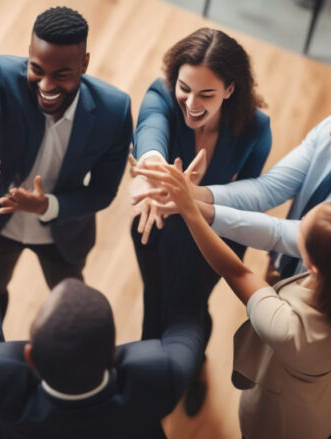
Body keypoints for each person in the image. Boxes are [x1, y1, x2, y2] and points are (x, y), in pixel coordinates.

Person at [0, 159, 204, 439]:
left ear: (29, 356)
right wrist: (186, 211)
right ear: (114, 354)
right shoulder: (160, 375)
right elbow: (187, 316)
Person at [142, 161, 331, 439]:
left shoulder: (292, 331)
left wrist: (189, 211)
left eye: (301, 230)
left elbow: (234, 270)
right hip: (325, 401)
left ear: (313, 267)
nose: (296, 228)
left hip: (282, 423)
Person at [136, 62, 331, 282]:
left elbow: (291, 236)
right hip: (279, 273)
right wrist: (193, 193)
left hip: (320, 307)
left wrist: (195, 209)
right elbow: (267, 189)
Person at [0, 6, 132, 317]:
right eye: (38, 70)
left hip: (63, 234)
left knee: (71, 307)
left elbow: (102, 191)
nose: (47, 86)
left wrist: (47, 206)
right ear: (29, 54)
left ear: (84, 63)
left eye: (62, 74)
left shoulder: (115, 112)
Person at [129, 27, 271, 415]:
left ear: (230, 89)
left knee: (191, 309)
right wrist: (155, 171)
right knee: (154, 306)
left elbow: (252, 197)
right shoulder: (160, 96)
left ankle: (188, 370)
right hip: (154, 222)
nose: (191, 103)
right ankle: (153, 381)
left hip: (212, 234)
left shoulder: (256, 129)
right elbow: (151, 134)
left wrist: (198, 200)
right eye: (184, 88)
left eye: (206, 93)